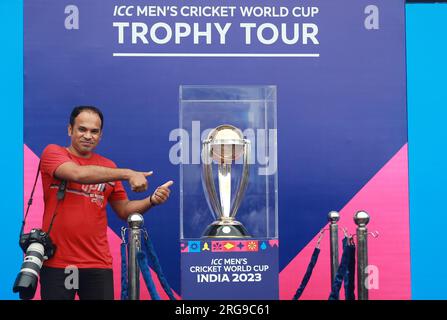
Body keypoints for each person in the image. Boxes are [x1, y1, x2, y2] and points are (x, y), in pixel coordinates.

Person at [38, 105, 173, 300]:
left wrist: (152, 200)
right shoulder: (53, 153)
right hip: (57, 264)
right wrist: (128, 173)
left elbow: (124, 210)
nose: (88, 136)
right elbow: (78, 174)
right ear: (70, 130)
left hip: (97, 264)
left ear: (100, 135)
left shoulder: (108, 167)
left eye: (94, 131)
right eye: (82, 129)